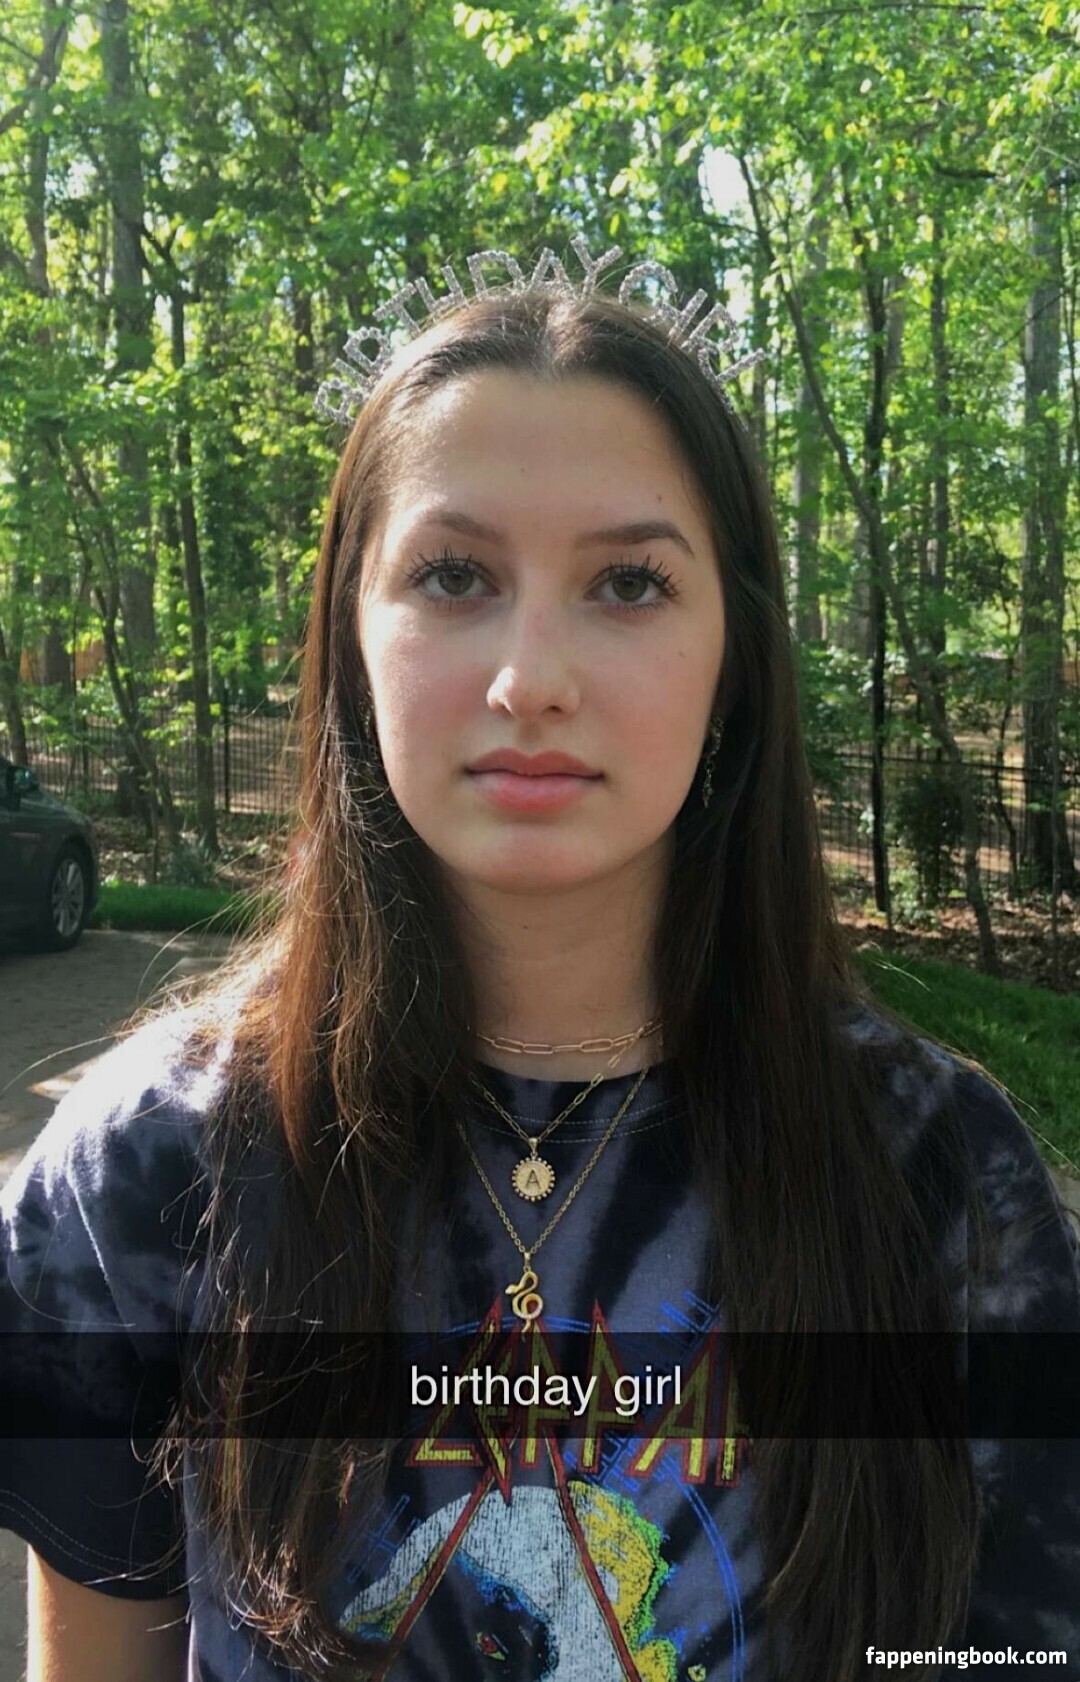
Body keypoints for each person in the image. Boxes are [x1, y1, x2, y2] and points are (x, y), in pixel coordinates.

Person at [2, 239, 1079, 1682]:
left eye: (628, 583)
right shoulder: (146, 1170)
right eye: (453, 575)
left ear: (735, 659)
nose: (530, 680)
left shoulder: (941, 1178)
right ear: (351, 636)